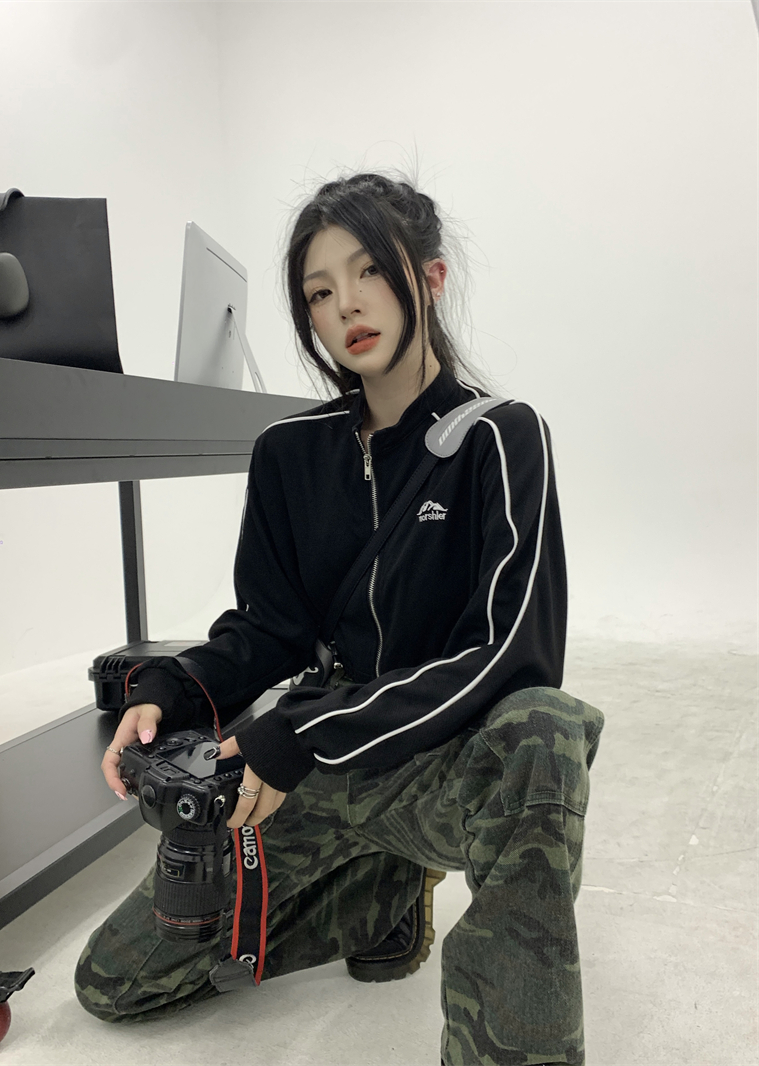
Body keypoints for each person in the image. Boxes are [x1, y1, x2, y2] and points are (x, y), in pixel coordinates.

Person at [76, 170, 605, 1066]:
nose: (347, 305)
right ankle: (382, 895)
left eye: (367, 271)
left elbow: (513, 653)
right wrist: (168, 688)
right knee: (114, 981)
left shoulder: (501, 437)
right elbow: (268, 628)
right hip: (317, 765)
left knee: (542, 731)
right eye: (319, 293)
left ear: (429, 279)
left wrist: (303, 734)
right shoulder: (288, 452)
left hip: (436, 760)